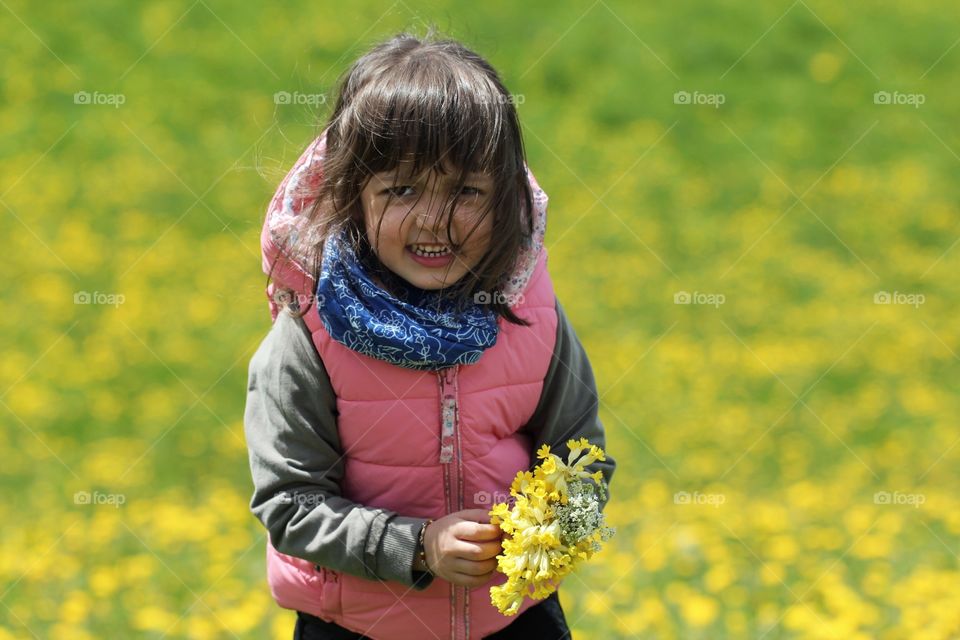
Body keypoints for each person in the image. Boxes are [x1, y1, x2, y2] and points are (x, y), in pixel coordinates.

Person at [244, 29, 615, 640]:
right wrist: (417, 547)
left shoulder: (528, 312)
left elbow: (584, 459)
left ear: (507, 198)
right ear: (351, 195)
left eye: (466, 190)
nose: (433, 220)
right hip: (357, 627)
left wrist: (552, 533)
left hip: (513, 624)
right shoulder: (309, 332)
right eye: (401, 189)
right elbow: (290, 504)